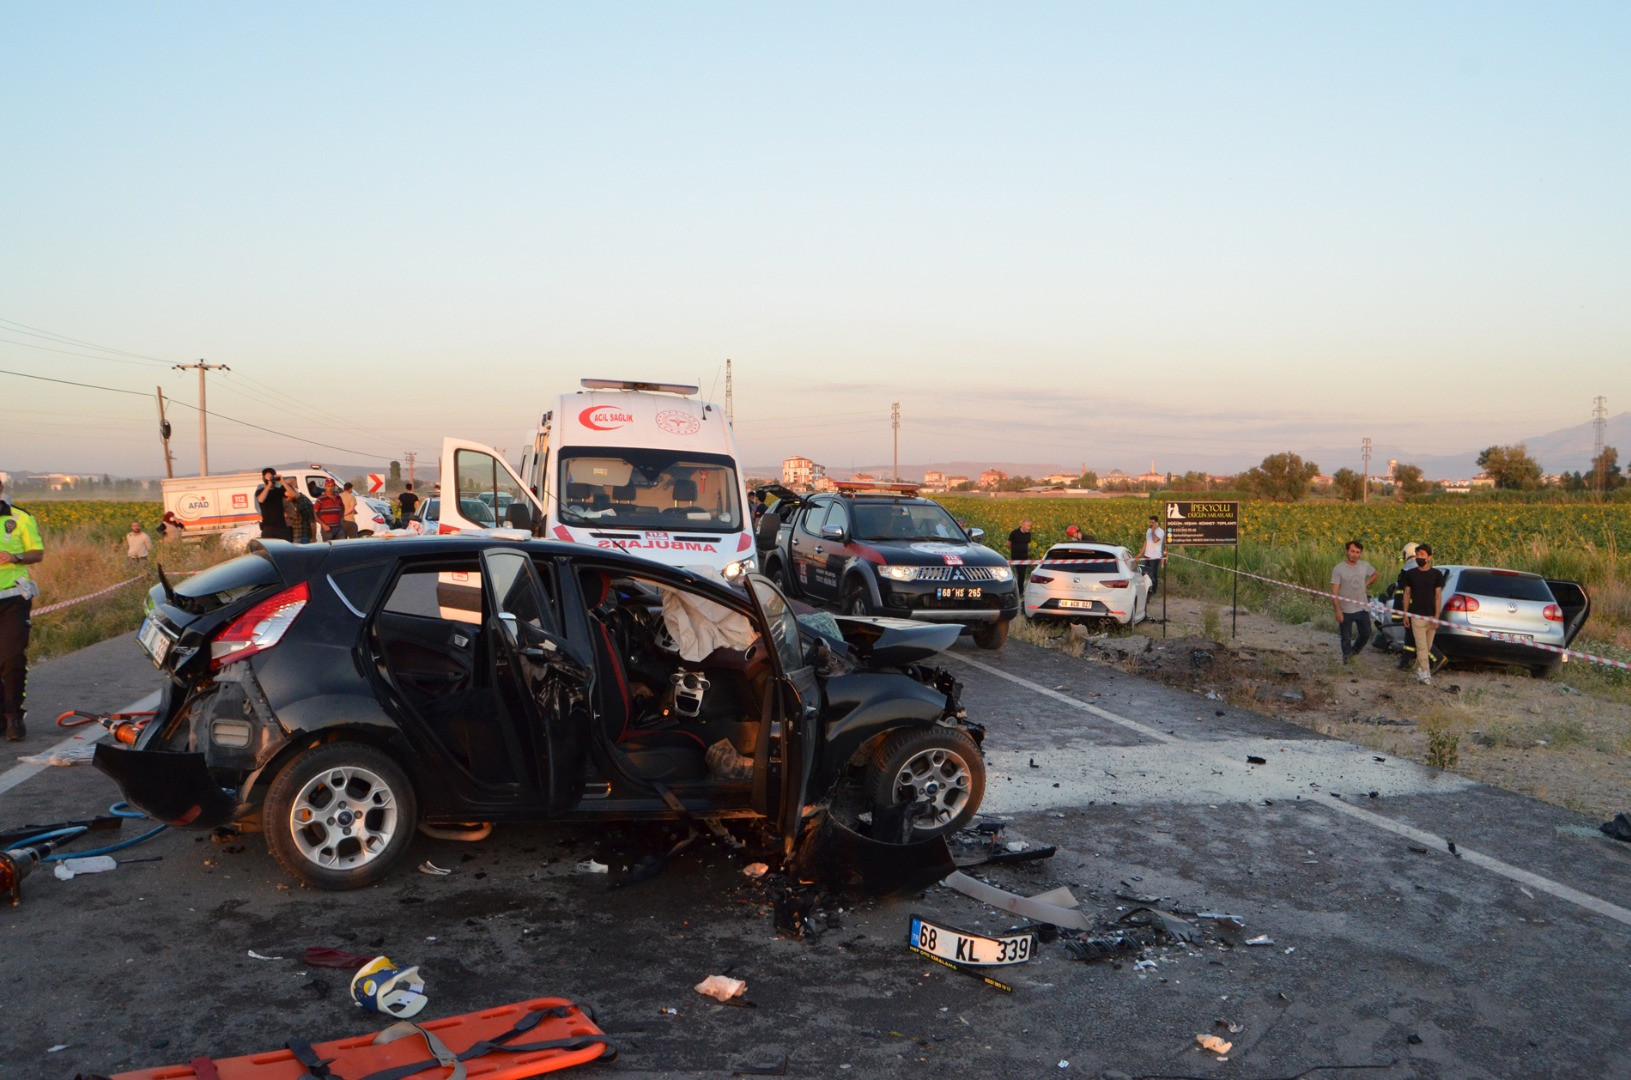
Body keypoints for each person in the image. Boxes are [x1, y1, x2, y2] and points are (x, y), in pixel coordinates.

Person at [0, 476, 44, 741]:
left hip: (13, 599)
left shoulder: (20, 518)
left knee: (12, 659)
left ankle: (14, 716)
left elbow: (37, 553)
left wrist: (14, 557)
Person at [1400, 543, 1446, 685]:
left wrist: (1437, 617)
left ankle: (1418, 670)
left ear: (1429, 557)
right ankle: (1426, 674)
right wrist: (1405, 614)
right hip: (1416, 616)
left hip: (1432, 616)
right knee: (1421, 647)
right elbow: (1406, 595)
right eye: (1417, 554)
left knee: (1427, 645)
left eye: (1422, 555)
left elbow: (1438, 596)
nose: (1419, 557)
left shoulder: (1437, 575)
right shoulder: (1410, 574)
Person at [1330, 540, 1378, 663]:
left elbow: (1375, 574)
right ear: (1347, 551)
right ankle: (1347, 660)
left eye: (1357, 552)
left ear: (1360, 553)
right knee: (1346, 638)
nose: (1354, 554)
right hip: (1346, 609)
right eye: (1352, 551)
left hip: (1362, 607)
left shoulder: (1364, 565)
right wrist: (1338, 611)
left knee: (1366, 634)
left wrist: (1367, 583)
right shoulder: (1338, 569)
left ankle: (1354, 652)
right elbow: (1334, 592)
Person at [256, 468, 291, 541]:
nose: (270, 479)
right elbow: (261, 499)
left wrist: (283, 482)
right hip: (268, 528)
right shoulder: (260, 491)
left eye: (272, 477)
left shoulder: (279, 491)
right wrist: (268, 485)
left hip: (282, 528)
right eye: (268, 477)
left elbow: (293, 495)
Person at [283, 476, 316, 543]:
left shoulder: (304, 502)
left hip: (303, 536)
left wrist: (313, 538)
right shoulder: (291, 503)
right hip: (293, 535)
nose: (286, 499)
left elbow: (312, 522)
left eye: (287, 496)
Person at [1140, 515, 1166, 597]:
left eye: (1152, 522)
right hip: (1147, 555)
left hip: (1155, 557)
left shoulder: (1161, 531)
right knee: (1144, 574)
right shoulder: (1148, 530)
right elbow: (1146, 541)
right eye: (1150, 522)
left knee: (1153, 574)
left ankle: (1153, 592)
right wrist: (1141, 553)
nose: (1151, 524)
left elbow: (1155, 540)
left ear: (1156, 523)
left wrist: (1153, 531)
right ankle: (1147, 590)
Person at [1008, 519, 1033, 589]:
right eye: (1028, 526)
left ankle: (1020, 590)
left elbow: (1027, 544)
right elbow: (1008, 544)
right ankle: (1018, 589)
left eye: (1030, 526)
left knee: (1022, 574)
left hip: (1024, 557)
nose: (1029, 528)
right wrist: (1015, 549)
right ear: (1022, 525)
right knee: (1019, 573)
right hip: (1016, 557)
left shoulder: (1028, 534)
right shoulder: (1014, 533)